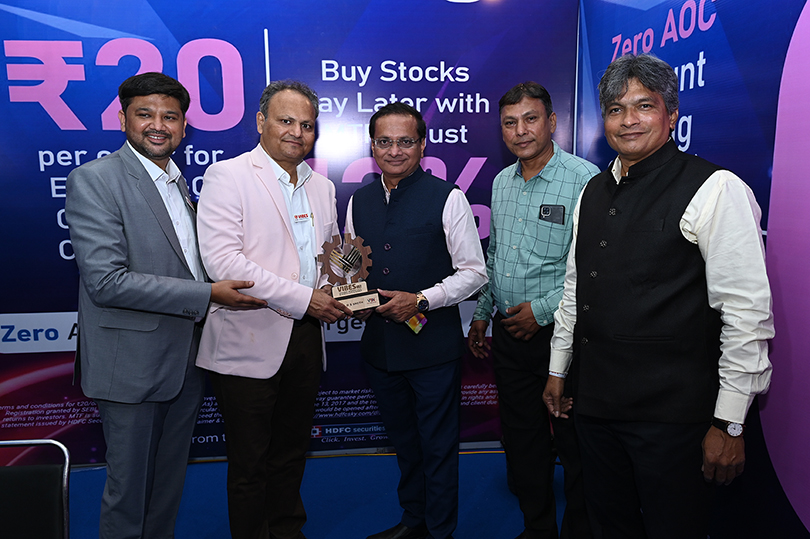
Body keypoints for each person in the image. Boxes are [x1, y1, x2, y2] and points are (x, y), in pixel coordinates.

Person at [542, 54, 774, 539]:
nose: (628, 120)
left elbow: (746, 315)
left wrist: (729, 424)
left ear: (672, 115)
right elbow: (575, 289)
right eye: (615, 109)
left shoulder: (715, 188)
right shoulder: (593, 191)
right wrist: (558, 369)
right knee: (609, 526)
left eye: (643, 106)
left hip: (674, 419)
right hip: (596, 408)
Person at [65, 72, 266, 539]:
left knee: (165, 489)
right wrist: (209, 295)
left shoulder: (179, 184)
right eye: (145, 114)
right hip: (130, 367)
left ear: (184, 125)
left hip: (185, 363)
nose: (158, 125)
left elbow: (193, 262)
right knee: (128, 493)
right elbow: (107, 282)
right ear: (122, 120)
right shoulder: (95, 180)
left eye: (170, 116)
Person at [195, 80, 352, 539]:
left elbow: (330, 258)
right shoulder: (228, 176)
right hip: (249, 335)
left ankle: (287, 531)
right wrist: (306, 299)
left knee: (291, 451)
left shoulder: (323, 186)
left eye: (307, 125)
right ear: (261, 122)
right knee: (250, 462)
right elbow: (224, 263)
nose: (297, 133)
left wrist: (348, 289)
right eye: (286, 121)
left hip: (306, 338)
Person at [345, 102, 487, 539]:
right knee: (405, 443)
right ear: (372, 146)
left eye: (405, 141)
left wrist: (422, 300)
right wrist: (352, 297)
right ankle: (414, 521)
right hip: (380, 349)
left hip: (432, 349)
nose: (394, 151)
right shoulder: (358, 200)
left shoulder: (448, 196)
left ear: (422, 145)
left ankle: (440, 531)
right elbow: (350, 268)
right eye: (384, 141)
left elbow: (474, 273)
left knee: (438, 447)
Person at [468, 82, 598, 539]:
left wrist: (540, 312)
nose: (520, 131)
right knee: (522, 440)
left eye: (530, 119)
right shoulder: (502, 182)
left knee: (575, 444)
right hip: (508, 335)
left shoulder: (585, 180)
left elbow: (593, 269)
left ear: (552, 122)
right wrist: (483, 311)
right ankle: (537, 529)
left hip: (563, 338)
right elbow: (497, 255)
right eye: (510, 122)